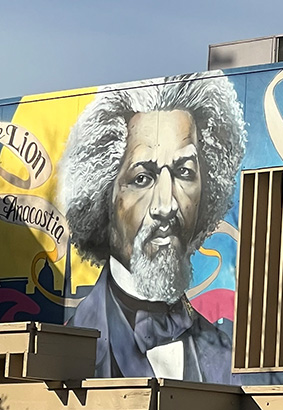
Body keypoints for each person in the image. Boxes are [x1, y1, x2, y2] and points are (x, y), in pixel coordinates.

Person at [59, 72, 246, 383]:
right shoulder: (65, 350)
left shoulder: (227, 358)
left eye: (184, 172)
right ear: (104, 195)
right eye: (142, 178)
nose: (166, 205)